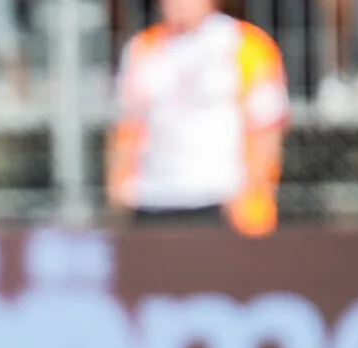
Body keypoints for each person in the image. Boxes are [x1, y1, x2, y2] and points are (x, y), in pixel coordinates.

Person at [106, 0, 289, 238]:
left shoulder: (246, 44)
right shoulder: (143, 47)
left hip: (219, 198)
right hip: (153, 198)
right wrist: (119, 182)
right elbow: (127, 124)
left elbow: (266, 126)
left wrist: (253, 194)